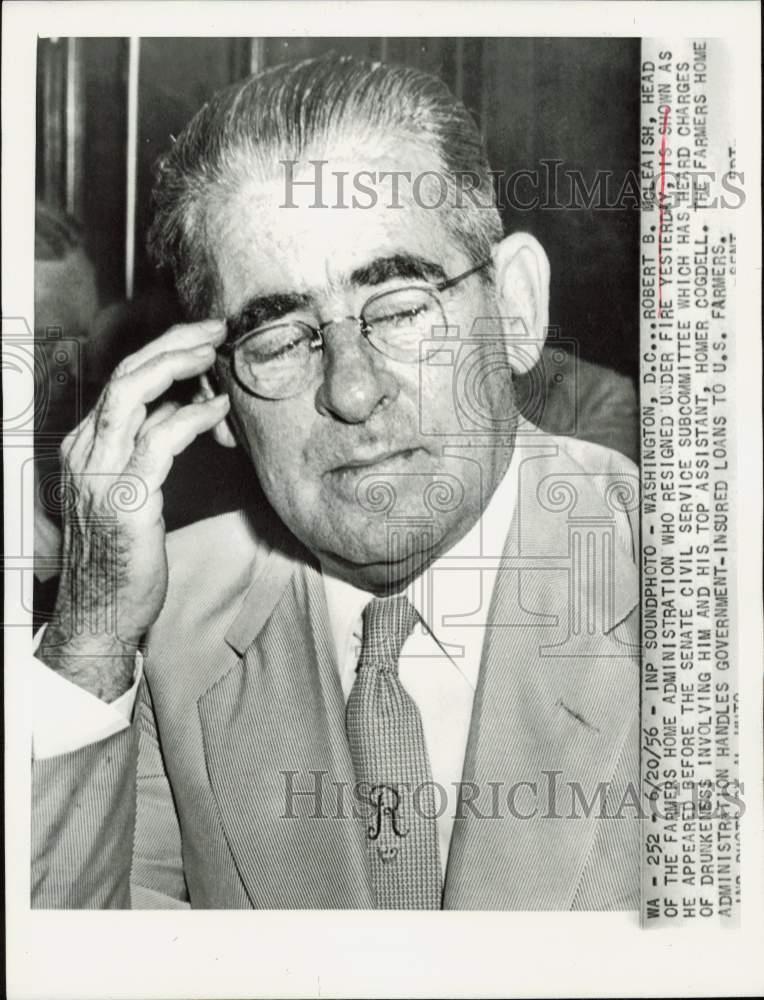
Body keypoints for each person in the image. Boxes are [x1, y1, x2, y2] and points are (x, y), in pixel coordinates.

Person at [31, 55, 641, 910]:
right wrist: (92, 636)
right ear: (216, 396)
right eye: (279, 340)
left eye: (398, 309)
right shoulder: (163, 627)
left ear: (515, 309)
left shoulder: (698, 596)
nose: (352, 390)